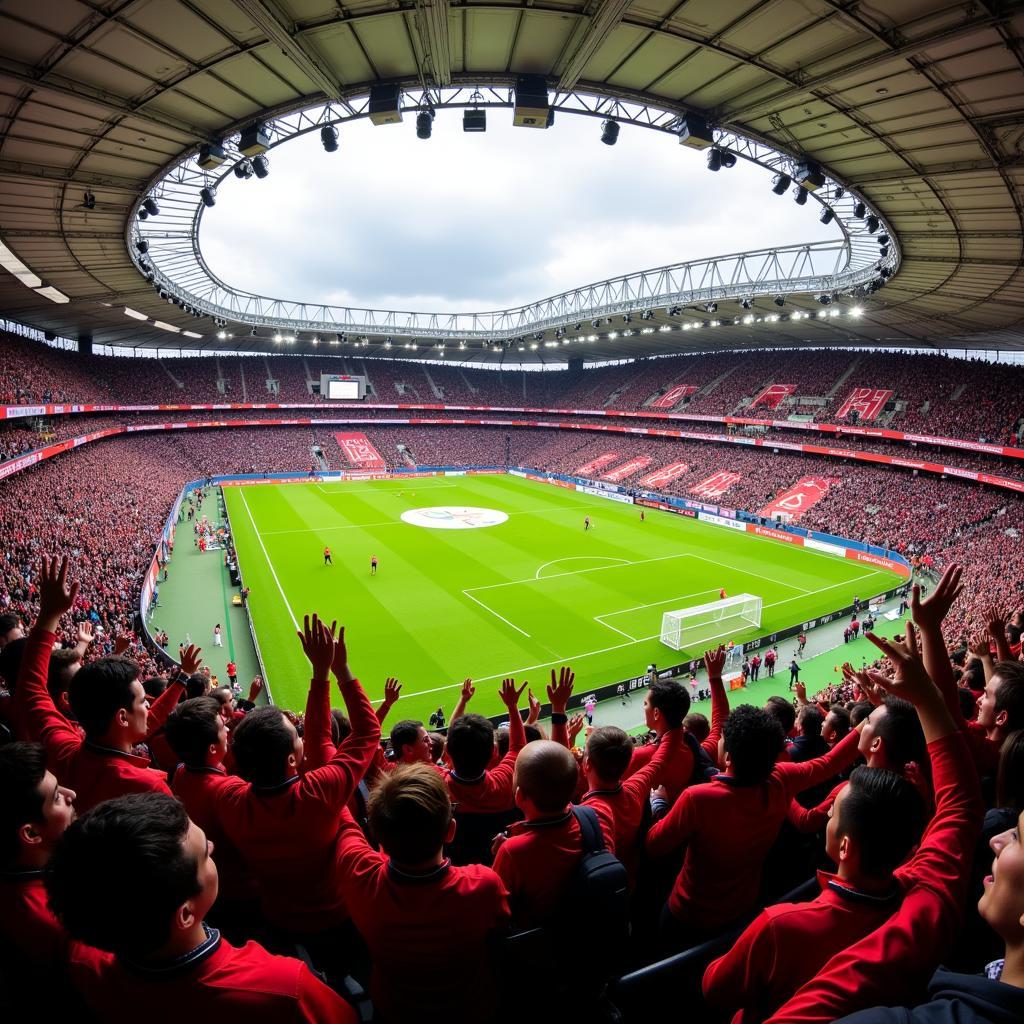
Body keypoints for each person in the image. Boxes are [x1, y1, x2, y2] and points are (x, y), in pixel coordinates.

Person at [45, 793, 355, 1023]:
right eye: (203, 854)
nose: (212, 847)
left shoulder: (84, 964)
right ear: (185, 913)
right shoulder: (285, 988)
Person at [213, 615, 381, 933]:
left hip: (278, 917)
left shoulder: (228, 798)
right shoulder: (318, 792)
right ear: (292, 759)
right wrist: (333, 670)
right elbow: (367, 732)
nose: (303, 738)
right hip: (338, 913)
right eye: (297, 736)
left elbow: (316, 743)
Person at [647, 705, 862, 948]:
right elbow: (831, 762)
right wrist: (871, 719)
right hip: (743, 908)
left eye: (722, 738)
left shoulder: (697, 798)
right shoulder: (782, 778)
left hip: (688, 915)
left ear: (728, 757)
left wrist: (659, 804)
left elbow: (654, 844)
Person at [12, 556, 197, 813]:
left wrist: (48, 615)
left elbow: (30, 690)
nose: (148, 707)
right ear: (122, 717)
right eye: (143, 701)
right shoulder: (146, 787)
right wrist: (48, 615)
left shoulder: (65, 749)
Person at [334, 764, 510, 1021]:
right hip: (471, 1008)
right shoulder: (483, 884)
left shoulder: (359, 875)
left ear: (377, 836)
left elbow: (338, 810)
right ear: (451, 831)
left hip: (393, 1009)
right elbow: (501, 929)